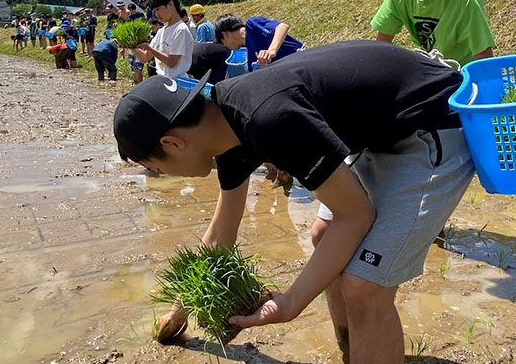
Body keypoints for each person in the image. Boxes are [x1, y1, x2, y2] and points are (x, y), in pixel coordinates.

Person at [113, 40, 475, 363]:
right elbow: (222, 229)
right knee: (323, 236)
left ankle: (366, 340)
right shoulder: (224, 127)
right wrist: (181, 309)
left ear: (172, 144)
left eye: (154, 167)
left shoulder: (269, 118)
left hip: (432, 124)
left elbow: (356, 215)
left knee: (363, 287)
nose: (162, 175)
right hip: (381, 131)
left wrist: (290, 303)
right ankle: (355, 349)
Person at [131, 0, 194, 79]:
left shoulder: (181, 30)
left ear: (170, 4)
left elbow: (171, 62)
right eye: (155, 11)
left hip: (177, 83)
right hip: (162, 81)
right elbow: (145, 57)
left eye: (158, 9)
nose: (157, 14)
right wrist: (132, 46)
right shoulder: (161, 31)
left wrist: (150, 49)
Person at [214, 13, 303, 68]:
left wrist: (271, 50)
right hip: (292, 69)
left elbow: (282, 27)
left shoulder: (252, 25)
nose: (228, 48)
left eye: (223, 44)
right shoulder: (249, 53)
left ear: (225, 34)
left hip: (301, 59)